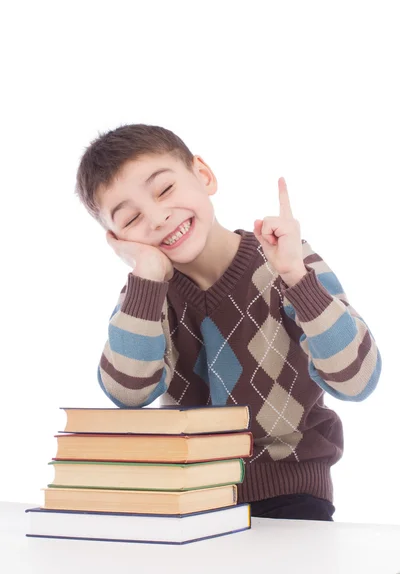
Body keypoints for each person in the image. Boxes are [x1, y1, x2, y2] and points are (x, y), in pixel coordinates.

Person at [75, 124, 382, 521]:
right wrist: (147, 277)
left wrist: (295, 278)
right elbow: (128, 392)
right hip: (189, 500)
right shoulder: (147, 295)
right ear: (116, 238)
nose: (158, 217)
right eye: (131, 218)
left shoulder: (286, 264)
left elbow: (358, 380)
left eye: (165, 190)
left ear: (203, 175)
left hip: (291, 494)